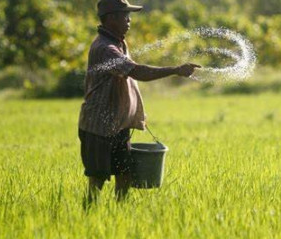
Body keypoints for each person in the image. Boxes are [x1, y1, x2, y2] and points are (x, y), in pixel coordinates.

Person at [78, 0, 200, 204]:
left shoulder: (118, 42)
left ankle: (120, 217)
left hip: (117, 124)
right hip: (98, 126)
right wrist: (175, 70)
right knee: (97, 179)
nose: (129, 20)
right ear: (111, 18)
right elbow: (136, 71)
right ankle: (87, 217)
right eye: (125, 15)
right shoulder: (105, 48)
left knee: (125, 176)